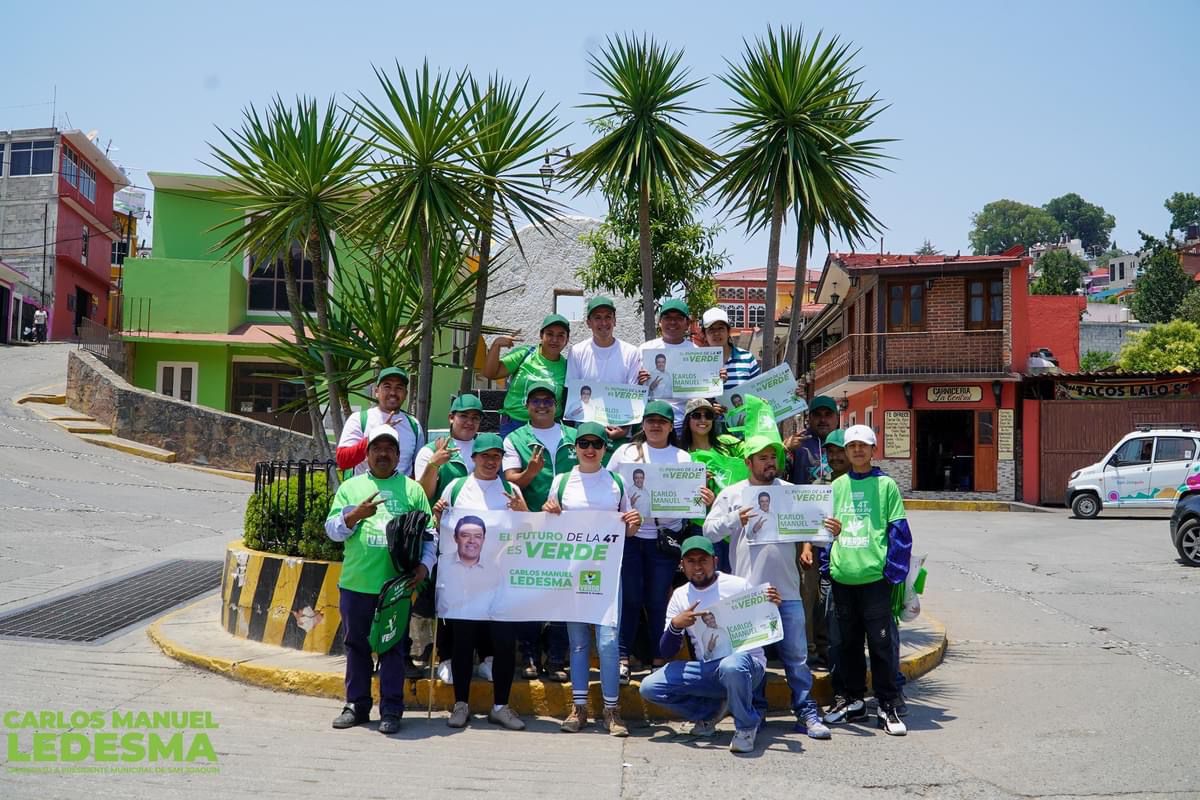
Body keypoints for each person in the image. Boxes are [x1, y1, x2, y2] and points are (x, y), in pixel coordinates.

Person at [703, 422, 830, 740]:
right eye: (761, 458)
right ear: (748, 462)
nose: (769, 462)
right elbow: (709, 531)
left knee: (797, 659)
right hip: (748, 595)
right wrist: (736, 519)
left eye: (772, 457)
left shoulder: (790, 493)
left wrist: (829, 532)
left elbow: (816, 535)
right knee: (753, 660)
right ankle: (756, 711)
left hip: (787, 592)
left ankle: (805, 711)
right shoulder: (733, 494)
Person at [324, 426, 436, 735]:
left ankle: (391, 710)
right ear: (367, 453)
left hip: (397, 587)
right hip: (357, 583)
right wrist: (354, 515)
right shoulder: (350, 487)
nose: (383, 453)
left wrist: (424, 567)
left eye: (389, 449)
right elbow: (332, 530)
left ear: (399, 456)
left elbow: (431, 536)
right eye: (377, 448)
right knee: (356, 646)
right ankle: (357, 706)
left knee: (393, 649)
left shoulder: (413, 490)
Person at [639, 536, 783, 755]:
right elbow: (666, 651)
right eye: (691, 561)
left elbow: (766, 625)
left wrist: (772, 605)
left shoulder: (738, 585)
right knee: (649, 687)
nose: (697, 567)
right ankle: (708, 714)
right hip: (708, 669)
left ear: (715, 561)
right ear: (682, 565)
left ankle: (746, 726)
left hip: (747, 665)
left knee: (732, 665)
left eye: (703, 560)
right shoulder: (680, 596)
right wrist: (676, 626)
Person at [542, 422, 642, 736]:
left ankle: (612, 712)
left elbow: (629, 527)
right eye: (583, 443)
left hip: (608, 573)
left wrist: (633, 522)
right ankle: (580, 707)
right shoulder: (561, 481)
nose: (589, 449)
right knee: (578, 643)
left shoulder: (616, 482)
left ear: (604, 448)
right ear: (575, 448)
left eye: (595, 444)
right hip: (573, 573)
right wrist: (549, 511)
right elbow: (548, 527)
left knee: (609, 642)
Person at [608, 399, 711, 682]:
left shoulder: (683, 459)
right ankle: (621, 657)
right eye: (650, 420)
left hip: (665, 540)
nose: (655, 425)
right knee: (629, 599)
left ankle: (657, 657)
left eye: (662, 421)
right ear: (642, 424)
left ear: (670, 426)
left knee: (657, 601)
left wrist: (702, 499)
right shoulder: (625, 452)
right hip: (630, 538)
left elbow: (692, 500)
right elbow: (610, 488)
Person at [432, 432, 528, 731]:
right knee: (463, 644)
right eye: (485, 456)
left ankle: (501, 706)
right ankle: (461, 704)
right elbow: (442, 531)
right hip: (464, 581)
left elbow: (527, 532)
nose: (491, 461)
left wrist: (522, 512)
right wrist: (437, 516)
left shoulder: (511, 489)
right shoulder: (457, 487)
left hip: (501, 581)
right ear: (473, 458)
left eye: (496, 456)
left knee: (503, 644)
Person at [821, 425, 912, 736]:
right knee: (847, 644)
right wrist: (827, 567)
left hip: (874, 579)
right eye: (852, 446)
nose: (857, 451)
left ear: (874, 449)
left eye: (863, 445)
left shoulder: (886, 486)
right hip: (842, 577)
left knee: (881, 644)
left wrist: (892, 574)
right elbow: (825, 534)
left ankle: (887, 705)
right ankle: (854, 700)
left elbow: (899, 531)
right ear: (845, 452)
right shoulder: (836, 487)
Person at [502, 380, 577, 680]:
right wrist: (531, 472)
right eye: (536, 400)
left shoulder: (574, 436)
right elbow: (510, 481)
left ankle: (557, 658)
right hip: (530, 525)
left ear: (556, 405)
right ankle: (530, 656)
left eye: (548, 400)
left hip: (569, 528)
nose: (542, 405)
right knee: (530, 592)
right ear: (526, 405)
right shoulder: (515, 438)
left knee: (563, 593)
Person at [680, 398, 746, 573]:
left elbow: (755, 455)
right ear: (688, 420)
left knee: (735, 577)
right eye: (697, 415)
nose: (703, 420)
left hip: (734, 523)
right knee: (709, 578)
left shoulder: (728, 444)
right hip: (701, 525)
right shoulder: (682, 455)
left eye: (708, 415)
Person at [566, 296, 641, 442]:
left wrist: (624, 430)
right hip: (586, 432)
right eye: (598, 318)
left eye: (608, 317)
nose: (604, 323)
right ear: (589, 322)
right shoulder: (577, 351)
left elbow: (634, 396)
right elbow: (572, 394)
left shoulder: (631, 352)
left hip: (620, 432)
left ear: (615, 320)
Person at [484, 314, 570, 437]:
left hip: (548, 429)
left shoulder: (567, 367)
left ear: (567, 340)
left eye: (560, 335)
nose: (554, 340)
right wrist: (496, 345)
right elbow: (490, 373)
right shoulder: (524, 354)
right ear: (541, 336)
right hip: (514, 426)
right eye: (550, 334)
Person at [336, 367, 426, 478]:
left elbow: (418, 468)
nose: (393, 392)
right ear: (377, 391)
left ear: (406, 394)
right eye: (387, 387)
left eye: (399, 388)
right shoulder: (359, 419)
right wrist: (377, 434)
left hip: (400, 493)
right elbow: (343, 461)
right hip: (366, 493)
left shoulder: (414, 425)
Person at [638, 299, 696, 433]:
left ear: (687, 323)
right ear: (660, 322)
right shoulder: (645, 350)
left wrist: (715, 379)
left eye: (678, 318)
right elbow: (635, 389)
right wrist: (640, 381)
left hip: (685, 424)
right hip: (654, 423)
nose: (672, 322)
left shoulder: (696, 351)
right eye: (667, 318)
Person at [415, 394, 484, 501]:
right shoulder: (429, 451)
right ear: (451, 418)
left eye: (475, 418)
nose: (470, 422)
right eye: (464, 416)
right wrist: (434, 464)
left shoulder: (485, 452)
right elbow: (422, 497)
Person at [701, 307, 760, 391]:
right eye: (711, 329)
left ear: (728, 332)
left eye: (721, 328)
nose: (716, 333)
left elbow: (758, 392)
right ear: (704, 335)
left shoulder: (747, 358)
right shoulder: (698, 363)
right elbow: (694, 397)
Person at [785, 395, 840, 485]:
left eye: (828, 414)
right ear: (809, 418)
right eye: (817, 415)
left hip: (839, 497)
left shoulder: (846, 442)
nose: (823, 419)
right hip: (802, 498)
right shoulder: (797, 443)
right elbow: (776, 475)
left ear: (837, 418)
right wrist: (784, 450)